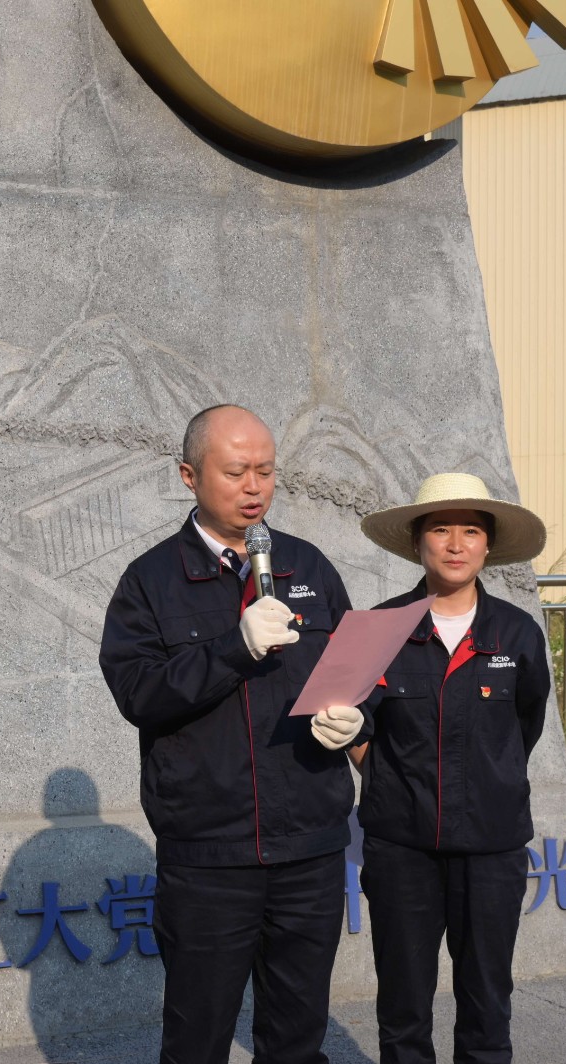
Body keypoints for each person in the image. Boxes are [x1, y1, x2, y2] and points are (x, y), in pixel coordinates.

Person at [98, 404, 365, 1064]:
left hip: (309, 848)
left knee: (297, 1039)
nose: (254, 487)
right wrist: (231, 650)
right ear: (189, 475)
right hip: (209, 857)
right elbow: (138, 694)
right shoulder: (150, 581)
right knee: (197, 1038)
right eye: (236, 472)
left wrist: (358, 716)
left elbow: (355, 671)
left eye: (266, 472)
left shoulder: (308, 566)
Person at [351, 472, 552, 1064]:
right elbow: (352, 722)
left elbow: (525, 726)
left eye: (471, 531)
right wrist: (382, 775)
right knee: (402, 1008)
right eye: (441, 529)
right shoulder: (378, 627)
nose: (456, 544)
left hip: (491, 847)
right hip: (401, 848)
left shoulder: (517, 633)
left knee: (487, 1006)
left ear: (489, 545)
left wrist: (485, 779)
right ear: (418, 542)